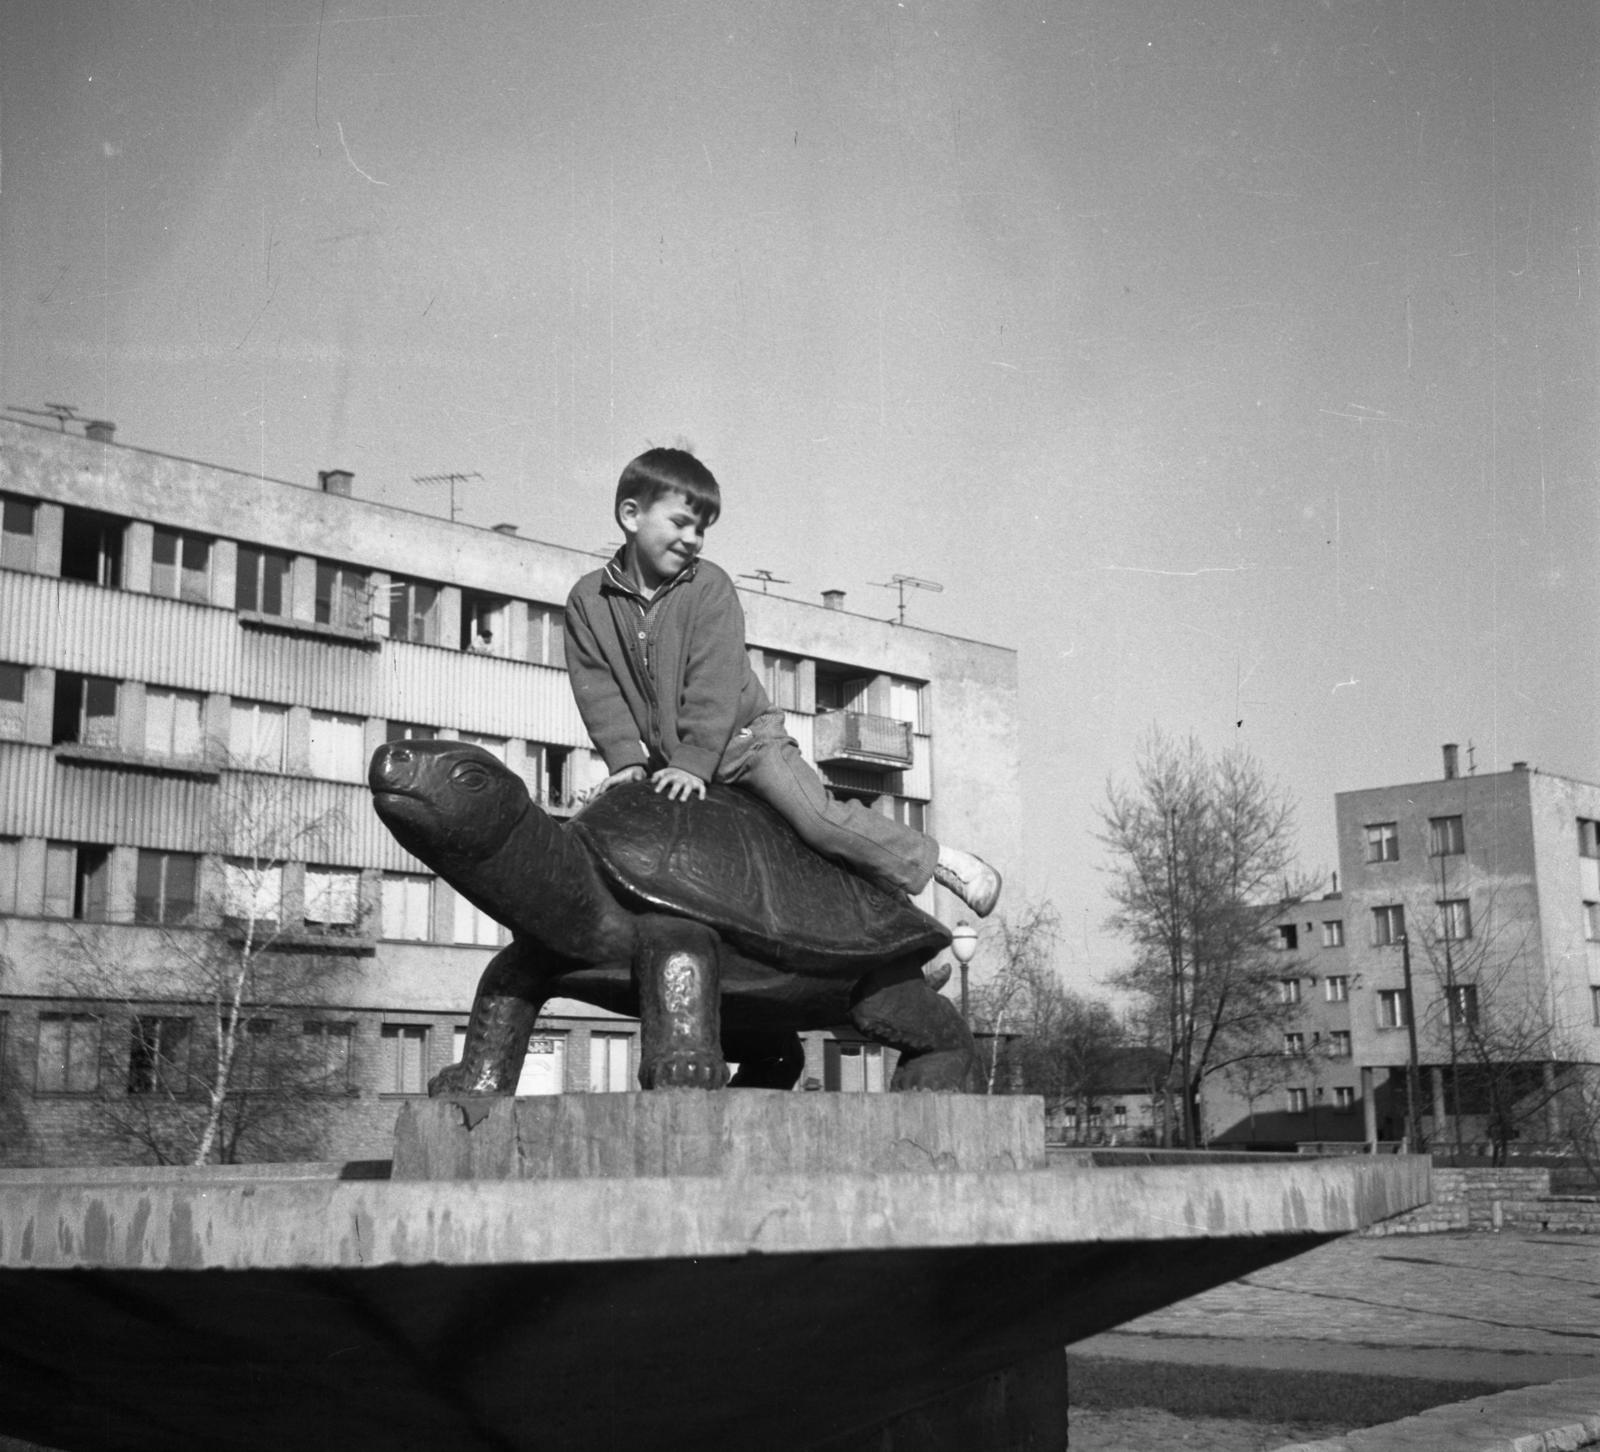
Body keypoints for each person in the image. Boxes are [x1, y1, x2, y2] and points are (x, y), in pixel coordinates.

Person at [563, 447, 1002, 917]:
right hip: (665, 759)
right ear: (631, 515)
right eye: (680, 524)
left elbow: (713, 685)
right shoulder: (589, 600)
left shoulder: (709, 587)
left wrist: (693, 761)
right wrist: (626, 759)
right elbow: (599, 690)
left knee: (815, 820)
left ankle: (940, 862)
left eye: (703, 529)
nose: (694, 540)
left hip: (746, 743)